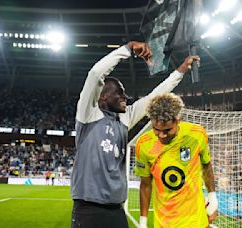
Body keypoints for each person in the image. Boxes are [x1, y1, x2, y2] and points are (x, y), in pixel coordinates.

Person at [70, 40, 200, 228]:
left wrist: (180, 71)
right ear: (103, 97)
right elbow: (95, 74)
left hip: (116, 209)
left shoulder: (125, 118)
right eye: (119, 93)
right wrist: (128, 48)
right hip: (88, 209)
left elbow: (155, 95)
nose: (125, 97)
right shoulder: (88, 114)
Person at [135, 93, 218, 228]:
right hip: (164, 222)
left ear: (179, 120)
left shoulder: (197, 134)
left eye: (167, 130)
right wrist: (143, 222)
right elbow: (145, 184)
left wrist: (213, 197)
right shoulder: (144, 144)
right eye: (156, 129)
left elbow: (206, 165)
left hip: (196, 220)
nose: (161, 135)